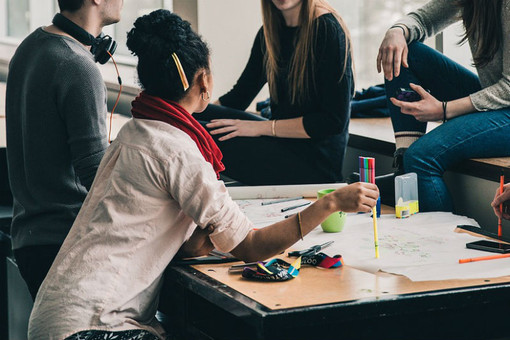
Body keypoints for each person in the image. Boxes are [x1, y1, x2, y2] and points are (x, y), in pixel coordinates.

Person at [27, 9, 379, 340]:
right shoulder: (180, 151)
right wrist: (332, 202)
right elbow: (253, 247)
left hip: (54, 315)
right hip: (94, 327)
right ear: (203, 80)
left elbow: (159, 235)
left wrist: (207, 238)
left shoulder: (135, 132)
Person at [5, 0, 123, 299]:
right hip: (66, 243)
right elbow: (98, 178)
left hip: (31, 242)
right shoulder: (78, 65)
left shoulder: (31, 46)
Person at [192, 0, 354, 185]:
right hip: (281, 141)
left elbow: (333, 122)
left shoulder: (328, 30)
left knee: (197, 133)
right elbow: (239, 97)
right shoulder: (269, 32)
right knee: (188, 116)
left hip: (314, 163)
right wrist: (187, 111)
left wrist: (257, 128)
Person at [376, 0, 510, 212]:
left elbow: (509, 88)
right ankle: (405, 172)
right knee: (407, 52)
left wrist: (444, 109)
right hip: (495, 102)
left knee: (421, 158)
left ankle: (443, 240)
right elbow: (423, 19)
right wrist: (397, 30)